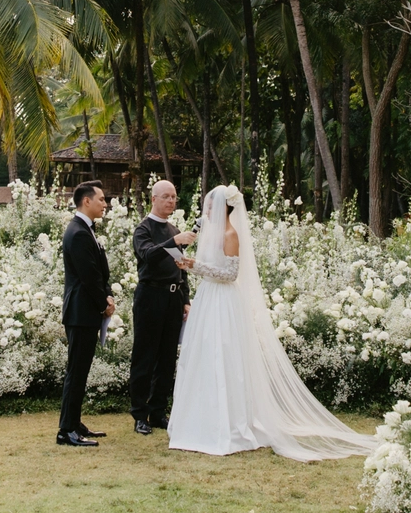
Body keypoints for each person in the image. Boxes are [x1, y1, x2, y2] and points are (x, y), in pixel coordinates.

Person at [168, 184, 378, 462]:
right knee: (203, 354)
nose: (205, 209)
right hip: (208, 298)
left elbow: (230, 274)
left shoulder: (230, 234)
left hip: (223, 302)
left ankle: (229, 423)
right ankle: (200, 419)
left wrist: (196, 266)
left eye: (209, 205)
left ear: (221, 208)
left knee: (225, 355)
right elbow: (211, 270)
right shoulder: (210, 234)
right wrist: (190, 265)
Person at [129, 179, 196, 435]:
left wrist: (186, 299)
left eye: (174, 197)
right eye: (166, 196)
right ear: (153, 199)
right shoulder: (143, 229)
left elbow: (181, 267)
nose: (171, 201)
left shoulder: (173, 229)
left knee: (167, 359)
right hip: (150, 296)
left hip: (173, 298)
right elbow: (148, 255)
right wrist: (174, 240)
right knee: (145, 357)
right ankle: (140, 414)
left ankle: (158, 411)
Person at [57, 180, 115, 447]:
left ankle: (74, 422)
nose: (105, 204)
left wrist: (107, 295)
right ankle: (66, 430)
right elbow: (88, 276)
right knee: (76, 371)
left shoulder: (86, 230)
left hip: (86, 310)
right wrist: (104, 304)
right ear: (86, 201)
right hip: (81, 312)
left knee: (80, 370)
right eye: (101, 199)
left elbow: (99, 272)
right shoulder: (78, 232)